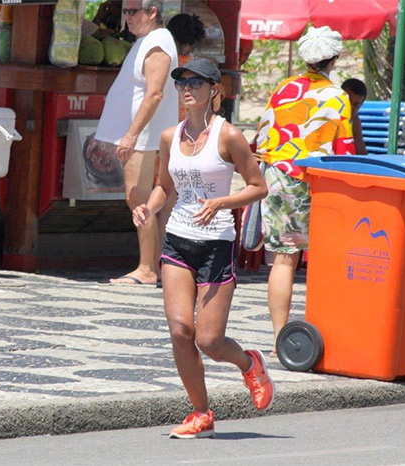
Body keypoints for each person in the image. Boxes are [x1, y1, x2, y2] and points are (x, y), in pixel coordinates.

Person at [132, 58, 272, 439]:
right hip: (178, 239)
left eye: (196, 82)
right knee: (180, 330)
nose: (187, 88)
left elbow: (258, 186)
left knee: (209, 340)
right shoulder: (169, 136)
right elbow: (166, 187)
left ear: (215, 91)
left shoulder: (229, 136)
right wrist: (149, 207)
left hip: (217, 244)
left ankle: (249, 363)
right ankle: (200, 413)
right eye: (181, 83)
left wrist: (222, 202)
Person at [256, 26, 356, 354]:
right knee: (324, 259)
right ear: (335, 58)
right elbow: (344, 149)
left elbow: (262, 133)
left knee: (284, 259)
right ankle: (328, 330)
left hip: (275, 174)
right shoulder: (337, 97)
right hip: (314, 181)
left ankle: (278, 337)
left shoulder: (284, 87)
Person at [95, 0, 178, 286]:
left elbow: (154, 94)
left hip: (145, 135)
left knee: (138, 198)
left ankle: (147, 268)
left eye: (133, 12)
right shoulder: (148, 40)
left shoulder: (157, 43)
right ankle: (157, 266)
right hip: (144, 134)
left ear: (152, 12)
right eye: (125, 12)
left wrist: (130, 134)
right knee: (151, 200)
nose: (126, 18)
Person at [341, 78, 368, 155]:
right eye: (348, 101)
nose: (351, 107)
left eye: (356, 105)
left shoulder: (354, 121)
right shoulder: (328, 113)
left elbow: (361, 152)